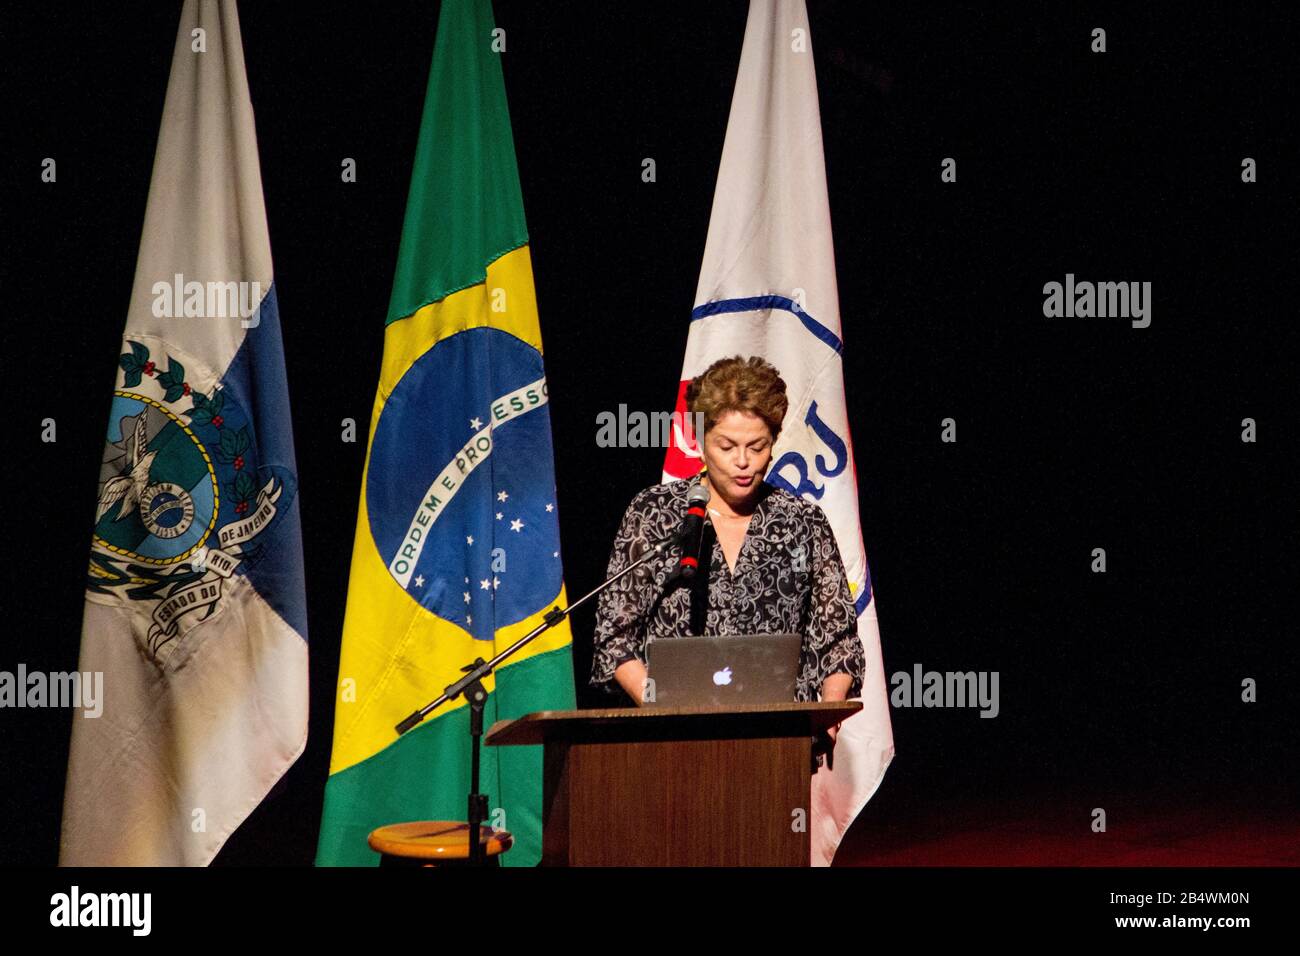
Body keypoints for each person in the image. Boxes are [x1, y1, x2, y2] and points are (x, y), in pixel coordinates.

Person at [589, 355, 864, 740]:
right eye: (727, 446)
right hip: (667, 743)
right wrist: (661, 708)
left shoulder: (803, 522)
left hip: (778, 743)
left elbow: (838, 640)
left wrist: (827, 715)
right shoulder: (655, 515)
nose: (743, 463)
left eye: (757, 446)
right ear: (701, 441)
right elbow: (614, 636)